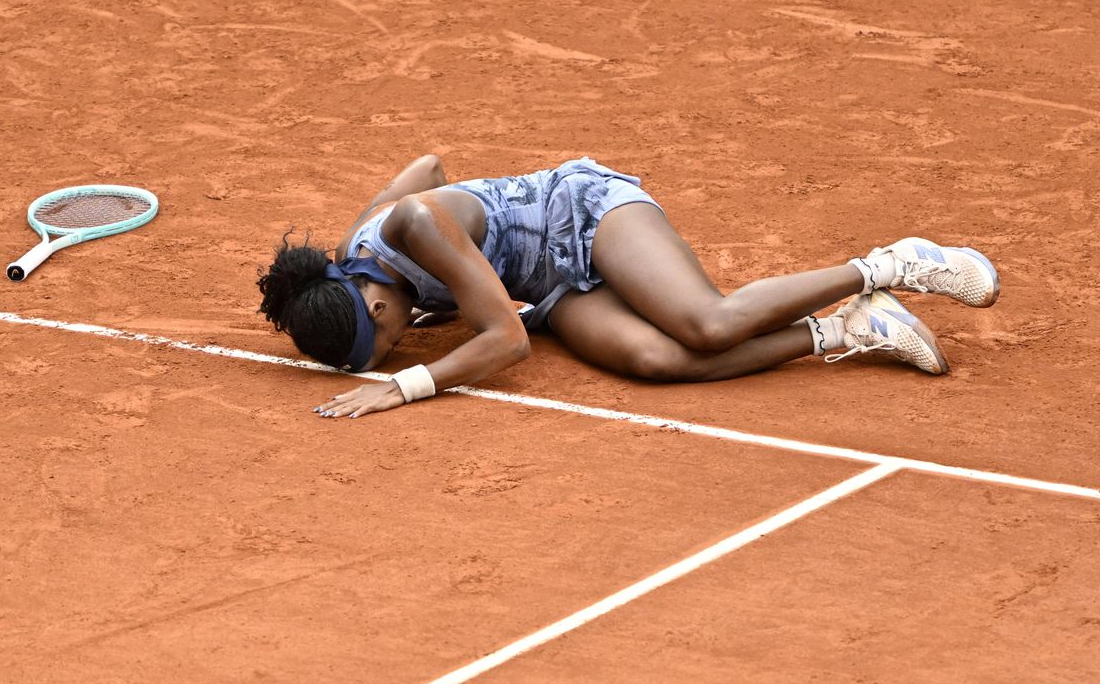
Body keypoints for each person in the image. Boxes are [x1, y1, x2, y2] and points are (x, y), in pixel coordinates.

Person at [256, 154, 999, 419]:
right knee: (656, 360)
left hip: (585, 214)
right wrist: (467, 277)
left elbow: (506, 340)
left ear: (374, 302)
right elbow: (427, 164)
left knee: (707, 323)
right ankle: (852, 327)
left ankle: (892, 264)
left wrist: (407, 384)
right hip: (551, 289)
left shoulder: (412, 224)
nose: (397, 349)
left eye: (386, 341)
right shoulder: (357, 258)